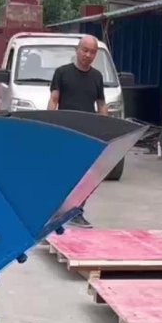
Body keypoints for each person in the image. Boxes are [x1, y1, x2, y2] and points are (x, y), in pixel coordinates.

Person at [48, 35, 108, 226]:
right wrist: (50, 126)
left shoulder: (97, 77)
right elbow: (54, 100)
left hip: (88, 134)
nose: (88, 55)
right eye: (85, 50)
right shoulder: (62, 73)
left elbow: (101, 104)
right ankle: (56, 211)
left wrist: (107, 130)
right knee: (63, 173)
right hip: (66, 132)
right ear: (77, 50)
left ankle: (76, 211)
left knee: (87, 177)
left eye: (92, 52)